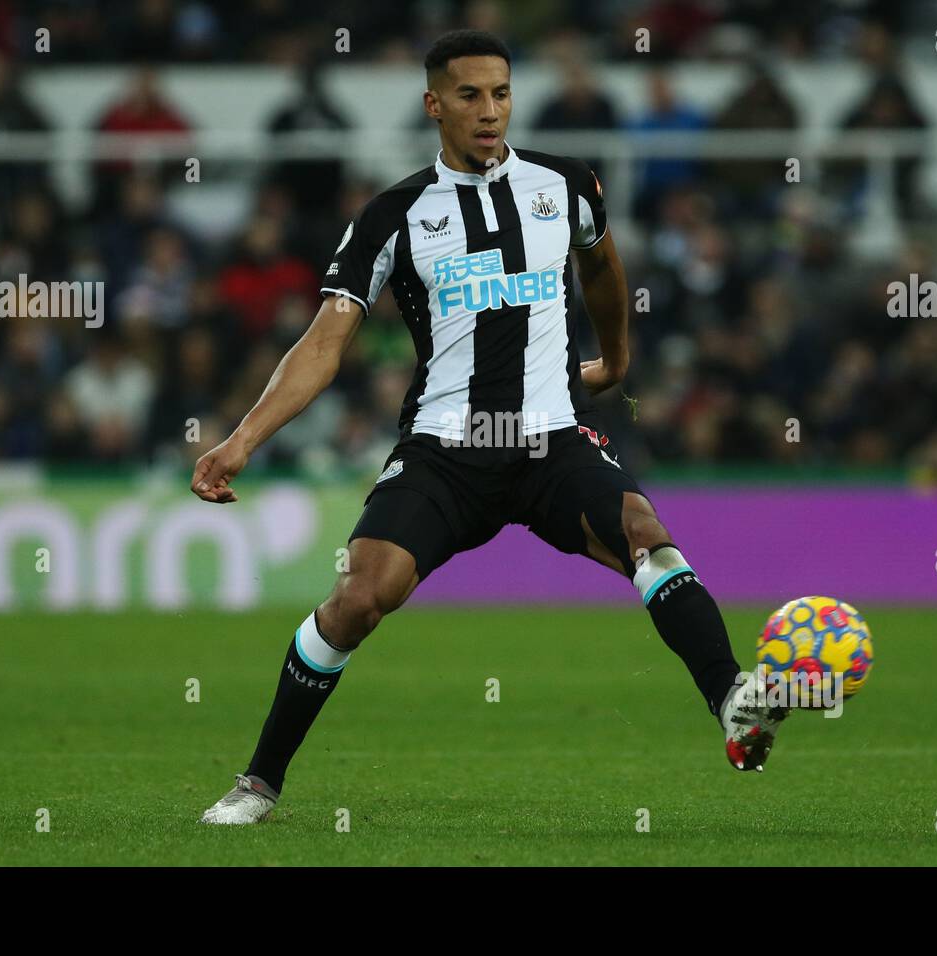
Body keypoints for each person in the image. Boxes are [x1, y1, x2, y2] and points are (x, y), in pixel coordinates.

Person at [193, 30, 785, 825]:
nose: (490, 111)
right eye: (470, 96)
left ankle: (732, 699)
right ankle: (259, 780)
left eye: (501, 93)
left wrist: (613, 360)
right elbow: (325, 340)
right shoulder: (391, 215)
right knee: (361, 597)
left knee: (645, 532)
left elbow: (603, 268)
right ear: (434, 104)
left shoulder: (565, 185)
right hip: (447, 450)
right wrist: (241, 441)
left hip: (550, 439)